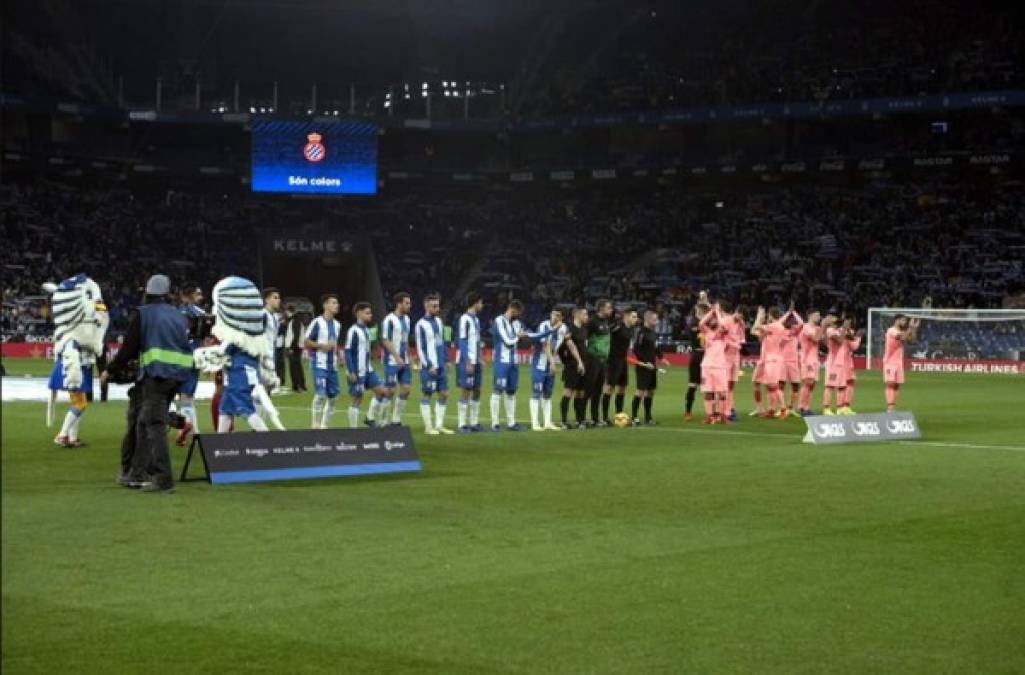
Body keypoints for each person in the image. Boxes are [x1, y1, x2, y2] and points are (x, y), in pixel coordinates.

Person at [103, 274, 192, 493]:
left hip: (157, 375)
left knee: (153, 425)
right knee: (145, 422)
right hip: (178, 375)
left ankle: (163, 479)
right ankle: (138, 472)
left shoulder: (144, 314)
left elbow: (128, 350)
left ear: (148, 292)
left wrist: (110, 370)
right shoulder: (178, 316)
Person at [45, 274, 109, 448]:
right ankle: (62, 435)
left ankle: (73, 438)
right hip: (74, 363)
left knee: (77, 402)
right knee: (80, 403)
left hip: (78, 362)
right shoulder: (89, 311)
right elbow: (102, 316)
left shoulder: (72, 318)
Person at [345, 302, 389, 428]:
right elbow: (347, 352)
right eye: (367, 313)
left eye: (370, 312)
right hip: (357, 371)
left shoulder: (366, 330)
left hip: (368, 370)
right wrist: (351, 371)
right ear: (359, 313)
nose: (371, 315)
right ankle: (353, 429)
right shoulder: (353, 331)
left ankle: (370, 418)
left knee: (382, 392)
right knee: (357, 398)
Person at [415, 293, 453, 434]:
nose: (437, 308)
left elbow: (441, 342)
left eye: (438, 305)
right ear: (426, 306)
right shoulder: (420, 325)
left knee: (444, 393)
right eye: (434, 306)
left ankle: (439, 425)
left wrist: (447, 359)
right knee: (427, 394)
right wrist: (428, 365)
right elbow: (420, 348)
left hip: (441, 365)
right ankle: (428, 427)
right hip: (429, 367)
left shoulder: (438, 321)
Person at [175, 281, 205, 445]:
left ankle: (188, 427)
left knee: (181, 395)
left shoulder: (176, 313)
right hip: (195, 357)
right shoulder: (201, 313)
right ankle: (192, 430)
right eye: (198, 294)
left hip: (178, 357)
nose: (201, 297)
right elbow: (206, 338)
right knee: (188, 395)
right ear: (190, 295)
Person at [490, 299, 526, 431]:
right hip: (502, 360)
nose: (519, 315)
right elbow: (507, 341)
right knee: (498, 390)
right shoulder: (499, 321)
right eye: (518, 313)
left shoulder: (517, 323)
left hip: (513, 361)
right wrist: (518, 337)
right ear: (512, 309)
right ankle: (495, 423)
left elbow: (521, 337)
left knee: (511, 391)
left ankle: (511, 422)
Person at [305, 294, 341, 429]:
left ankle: (325, 426)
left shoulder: (337, 325)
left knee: (334, 397)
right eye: (333, 303)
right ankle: (315, 425)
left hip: (332, 366)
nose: (336, 305)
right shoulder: (317, 322)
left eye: (337, 303)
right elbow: (307, 342)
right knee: (320, 395)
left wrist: (338, 355)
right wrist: (321, 346)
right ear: (325, 305)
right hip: (319, 364)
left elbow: (334, 344)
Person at [527, 308, 564, 431]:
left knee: (548, 394)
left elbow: (558, 346)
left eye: (558, 315)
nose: (555, 317)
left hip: (550, 365)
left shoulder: (563, 329)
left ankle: (547, 422)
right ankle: (535, 423)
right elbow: (545, 345)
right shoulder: (544, 326)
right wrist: (553, 363)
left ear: (561, 318)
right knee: (536, 392)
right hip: (539, 365)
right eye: (553, 314)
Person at [698, 303, 736, 424]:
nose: (715, 321)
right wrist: (712, 311)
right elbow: (701, 323)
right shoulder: (708, 332)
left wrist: (718, 312)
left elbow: (723, 325)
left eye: (716, 320)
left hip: (720, 367)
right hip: (707, 366)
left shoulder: (724, 335)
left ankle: (723, 416)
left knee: (722, 392)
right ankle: (709, 416)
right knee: (707, 392)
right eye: (713, 320)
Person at [631, 309, 668, 425]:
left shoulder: (653, 332)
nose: (656, 321)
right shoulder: (640, 332)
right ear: (647, 319)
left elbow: (655, 347)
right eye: (654, 319)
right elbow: (636, 349)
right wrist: (645, 362)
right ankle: (634, 417)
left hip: (652, 366)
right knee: (640, 391)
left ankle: (648, 417)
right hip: (643, 366)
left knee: (650, 391)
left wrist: (661, 357)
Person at [381, 292, 413, 427]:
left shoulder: (407, 320)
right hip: (391, 360)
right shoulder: (389, 320)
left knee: (406, 388)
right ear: (399, 303)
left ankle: (396, 419)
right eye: (407, 303)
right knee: (390, 390)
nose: (409, 306)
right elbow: (385, 340)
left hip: (404, 360)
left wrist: (409, 355)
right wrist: (396, 356)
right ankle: (383, 420)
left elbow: (405, 340)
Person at [602, 308, 637, 424]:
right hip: (613, 361)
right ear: (626, 316)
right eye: (633, 317)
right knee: (609, 388)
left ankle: (619, 416)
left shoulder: (631, 329)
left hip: (623, 361)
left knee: (622, 388)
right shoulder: (617, 327)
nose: (635, 319)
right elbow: (605, 335)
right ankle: (604, 418)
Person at [456, 292, 485, 432]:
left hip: (476, 361)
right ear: (475, 303)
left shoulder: (477, 320)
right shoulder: (465, 319)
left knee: (477, 389)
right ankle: (462, 424)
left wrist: (480, 358)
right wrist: (468, 361)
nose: (482, 305)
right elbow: (462, 341)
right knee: (466, 390)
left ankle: (474, 422)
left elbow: (477, 341)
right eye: (481, 302)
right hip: (468, 361)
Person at [558, 307, 589, 429]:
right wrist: (567, 362)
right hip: (572, 365)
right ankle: (564, 421)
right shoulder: (569, 328)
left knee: (580, 393)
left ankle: (579, 420)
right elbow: (562, 348)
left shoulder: (584, 330)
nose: (587, 316)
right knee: (568, 391)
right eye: (585, 314)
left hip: (584, 364)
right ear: (577, 315)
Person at [585, 299, 613, 426]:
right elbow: (584, 340)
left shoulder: (605, 322)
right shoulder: (592, 322)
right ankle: (582, 418)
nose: (610, 310)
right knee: (588, 389)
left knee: (598, 391)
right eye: (608, 308)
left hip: (603, 361)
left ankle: (595, 419)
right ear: (601, 308)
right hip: (592, 360)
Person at [884, 314, 920, 411]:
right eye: (903, 320)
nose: (905, 322)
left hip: (899, 362)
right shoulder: (891, 330)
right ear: (897, 320)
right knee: (890, 384)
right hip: (890, 362)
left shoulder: (901, 331)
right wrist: (910, 327)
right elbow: (902, 338)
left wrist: (914, 329)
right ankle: (890, 407)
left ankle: (892, 406)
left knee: (897, 385)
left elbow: (912, 340)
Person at [684, 300, 709, 421]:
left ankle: (709, 412)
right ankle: (688, 411)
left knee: (707, 386)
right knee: (693, 385)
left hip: (705, 356)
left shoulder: (698, 322)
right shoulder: (694, 323)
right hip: (698, 356)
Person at [797, 310, 823, 416]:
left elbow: (822, 339)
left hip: (814, 358)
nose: (819, 317)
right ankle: (802, 408)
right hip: (807, 359)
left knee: (813, 384)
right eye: (817, 315)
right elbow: (816, 339)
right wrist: (824, 327)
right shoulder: (806, 327)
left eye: (819, 315)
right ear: (810, 316)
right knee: (808, 382)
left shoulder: (817, 328)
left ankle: (806, 406)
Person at [821, 314, 846, 415]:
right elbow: (840, 341)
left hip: (841, 362)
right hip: (833, 363)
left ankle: (840, 408)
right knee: (830, 386)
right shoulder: (830, 330)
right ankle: (826, 408)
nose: (834, 318)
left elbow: (850, 338)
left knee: (842, 386)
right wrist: (844, 329)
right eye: (831, 317)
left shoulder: (838, 330)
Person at [283, 305, 307, 392]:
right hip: (297, 346)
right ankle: (300, 385)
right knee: (297, 367)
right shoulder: (296, 320)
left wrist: (291, 347)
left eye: (286, 311)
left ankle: (297, 386)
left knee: (294, 367)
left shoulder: (295, 321)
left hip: (295, 347)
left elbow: (295, 335)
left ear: (288, 311)